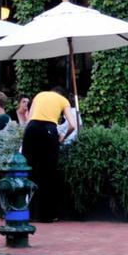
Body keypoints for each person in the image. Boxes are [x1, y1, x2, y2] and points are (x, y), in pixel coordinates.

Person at [23, 88, 78, 222]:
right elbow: (72, 125)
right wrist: (63, 138)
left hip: (31, 130)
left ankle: (26, 212)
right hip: (49, 131)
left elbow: (28, 120)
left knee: (29, 169)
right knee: (48, 173)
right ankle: (46, 215)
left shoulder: (39, 94)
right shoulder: (63, 100)